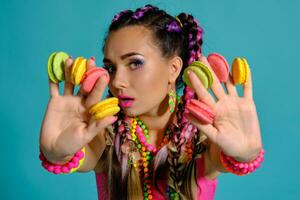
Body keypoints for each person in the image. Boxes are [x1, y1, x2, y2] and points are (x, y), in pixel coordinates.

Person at [39, 4, 264, 200]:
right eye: (111, 67)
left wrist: (247, 153)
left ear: (174, 69)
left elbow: (226, 157)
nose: (117, 81)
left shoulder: (202, 135)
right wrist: (56, 152)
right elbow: (82, 156)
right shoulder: (103, 132)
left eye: (135, 63)